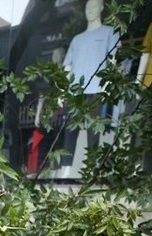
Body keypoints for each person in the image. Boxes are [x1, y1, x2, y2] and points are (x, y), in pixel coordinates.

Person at [61, 0, 120, 165]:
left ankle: (92, 167)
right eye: (87, 7)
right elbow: (67, 66)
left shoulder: (110, 32)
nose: (90, 10)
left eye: (94, 6)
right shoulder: (77, 39)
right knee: (70, 131)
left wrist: (108, 87)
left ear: (101, 8)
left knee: (93, 131)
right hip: (75, 93)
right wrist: (63, 91)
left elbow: (113, 60)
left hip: (97, 90)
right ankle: (65, 169)